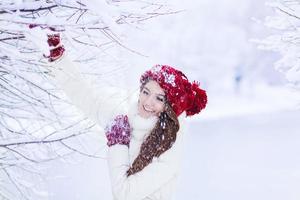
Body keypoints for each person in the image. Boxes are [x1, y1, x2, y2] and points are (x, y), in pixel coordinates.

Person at [34, 31, 207, 200]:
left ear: (169, 107)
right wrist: (59, 58)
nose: (148, 102)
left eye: (159, 98)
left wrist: (118, 143)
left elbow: (124, 194)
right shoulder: (123, 121)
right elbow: (87, 98)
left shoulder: (170, 147)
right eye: (146, 92)